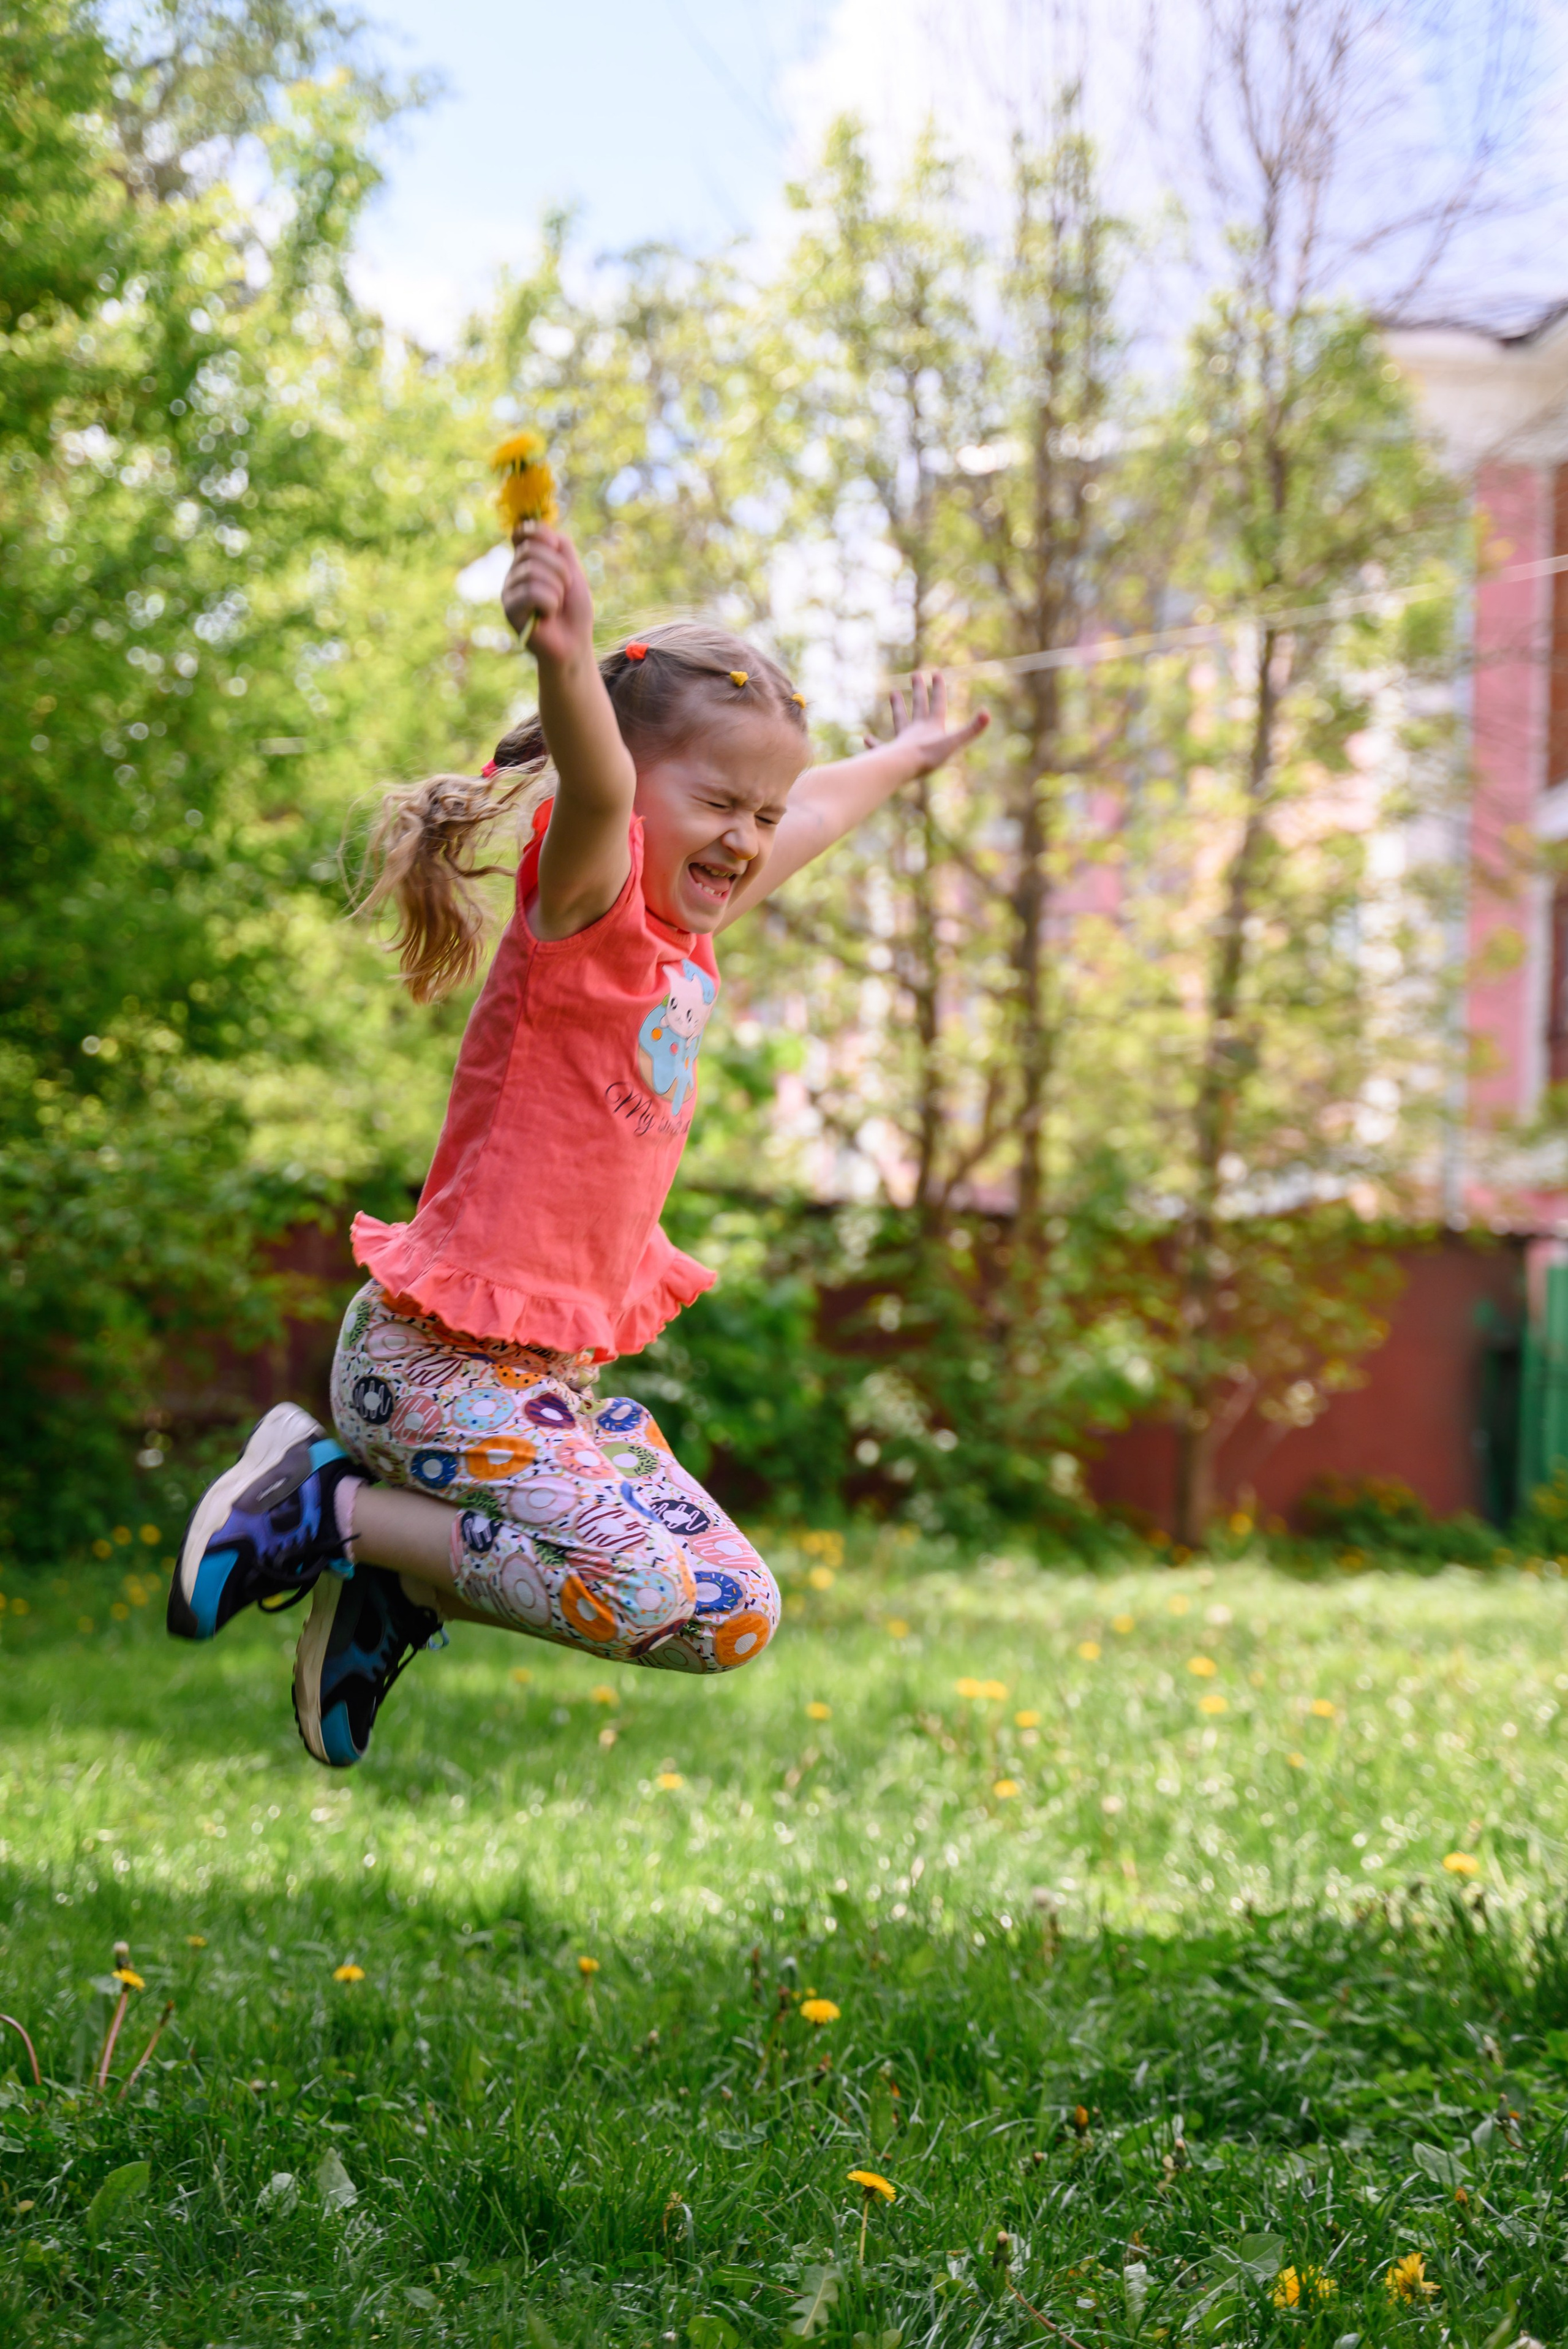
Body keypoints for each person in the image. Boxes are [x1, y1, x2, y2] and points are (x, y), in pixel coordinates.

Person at [168, 518, 987, 1766]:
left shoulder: (683, 935)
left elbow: (815, 808)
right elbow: (600, 785)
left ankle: (396, 1581)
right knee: (641, 1586)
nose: (748, 836)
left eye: (759, 812)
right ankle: (326, 1506)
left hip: (544, 1395)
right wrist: (566, 654)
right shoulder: (589, 898)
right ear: (633, 787)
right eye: (719, 802)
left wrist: (908, 754)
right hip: (431, 1373)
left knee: (730, 1611)